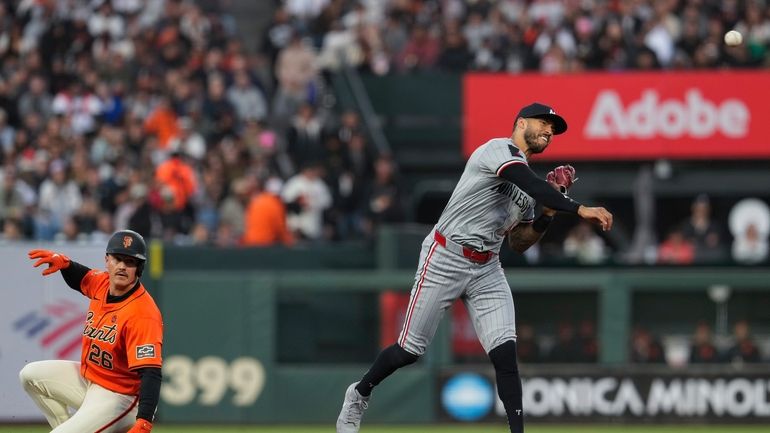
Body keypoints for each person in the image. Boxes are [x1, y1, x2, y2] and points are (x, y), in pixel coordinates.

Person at [336, 102, 613, 433]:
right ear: (521, 123)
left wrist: (549, 213)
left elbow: (520, 242)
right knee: (409, 350)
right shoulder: (499, 150)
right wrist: (577, 207)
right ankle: (359, 393)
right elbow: (531, 183)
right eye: (543, 123)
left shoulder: (527, 193)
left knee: (506, 356)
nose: (549, 132)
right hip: (446, 256)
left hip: (487, 267)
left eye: (553, 130)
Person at [19, 230, 162, 433]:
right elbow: (82, 277)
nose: (122, 266)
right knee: (29, 375)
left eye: (130, 262)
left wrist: (144, 421)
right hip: (89, 381)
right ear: (107, 260)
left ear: (139, 268)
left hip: (119, 396)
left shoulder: (143, 312)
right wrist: (65, 264)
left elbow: (151, 372)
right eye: (117, 259)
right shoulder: (103, 283)